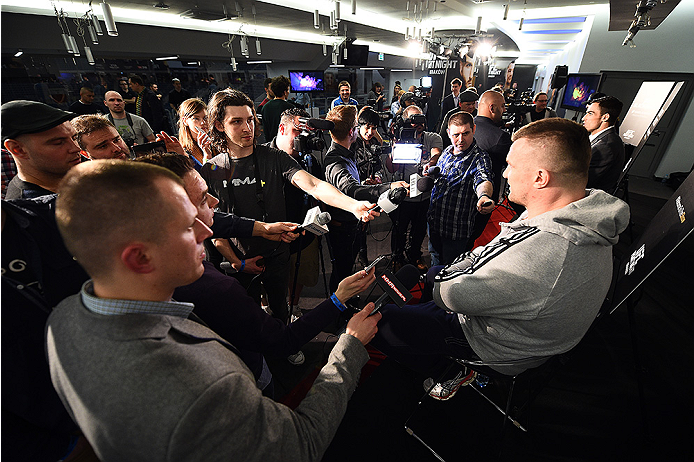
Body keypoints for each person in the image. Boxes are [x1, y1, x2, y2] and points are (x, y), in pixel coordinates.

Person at [46, 159, 382, 461]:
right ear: (140, 257)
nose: (207, 232)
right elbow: (299, 445)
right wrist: (349, 346)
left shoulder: (62, 319)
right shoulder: (210, 384)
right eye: (186, 225)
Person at [370, 118, 630, 400]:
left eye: (512, 166)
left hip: (492, 345)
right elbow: (484, 255)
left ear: (540, 178)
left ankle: (451, 371)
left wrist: (440, 278)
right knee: (426, 278)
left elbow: (449, 295)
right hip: (511, 325)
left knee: (378, 324)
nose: (504, 174)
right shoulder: (574, 212)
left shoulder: (547, 251)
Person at [200, 89, 376, 325]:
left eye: (250, 119)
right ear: (220, 126)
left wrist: (353, 205)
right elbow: (210, 223)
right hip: (238, 260)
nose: (247, 128)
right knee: (245, 315)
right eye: (237, 122)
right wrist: (237, 262)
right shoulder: (211, 169)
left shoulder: (273, 157)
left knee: (280, 308)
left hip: (276, 255)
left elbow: (313, 184)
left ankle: (283, 346)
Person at [323, 104, 408, 292]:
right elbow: (352, 190)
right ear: (353, 131)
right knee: (341, 273)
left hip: (350, 225)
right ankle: (338, 311)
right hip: (342, 228)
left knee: (345, 271)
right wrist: (389, 186)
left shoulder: (345, 151)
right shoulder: (336, 160)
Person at [265, 107, 323, 312]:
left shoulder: (309, 159)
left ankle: (294, 306)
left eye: (306, 132)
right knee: (269, 281)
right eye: (298, 132)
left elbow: (318, 192)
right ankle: (267, 309)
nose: (302, 138)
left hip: (302, 234)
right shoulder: (262, 157)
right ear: (282, 128)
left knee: (300, 274)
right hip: (269, 237)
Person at [428, 111, 494, 265]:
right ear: (448, 133)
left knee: (451, 271)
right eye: (456, 135)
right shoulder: (446, 152)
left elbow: (483, 178)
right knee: (435, 261)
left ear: (474, 129)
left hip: (456, 232)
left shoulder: (480, 158)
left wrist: (484, 196)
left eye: (466, 133)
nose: (461, 139)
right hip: (434, 223)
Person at [387, 105, 443, 270]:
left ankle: (415, 255)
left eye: (420, 118)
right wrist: (395, 145)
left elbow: (436, 153)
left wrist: (431, 164)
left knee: (419, 230)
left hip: (424, 195)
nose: (417, 123)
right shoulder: (400, 139)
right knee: (399, 229)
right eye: (412, 119)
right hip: (404, 195)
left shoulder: (432, 137)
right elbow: (392, 168)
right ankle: (396, 257)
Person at [2, 100, 80, 199]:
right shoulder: (30, 210)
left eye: (74, 138)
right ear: (18, 149)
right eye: (58, 142)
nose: (76, 148)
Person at [582, 96, 626, 193]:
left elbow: (586, 181)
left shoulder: (606, 146)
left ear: (605, 117)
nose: (583, 118)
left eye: (590, 114)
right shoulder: (602, 140)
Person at [177, 98, 218, 169]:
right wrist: (207, 156)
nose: (203, 123)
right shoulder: (185, 152)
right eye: (196, 118)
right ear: (185, 121)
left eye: (205, 118)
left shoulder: (216, 142)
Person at [261, 75, 294, 141]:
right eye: (288, 90)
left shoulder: (265, 107)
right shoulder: (290, 108)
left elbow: (266, 130)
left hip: (271, 144)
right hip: (286, 143)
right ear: (284, 92)